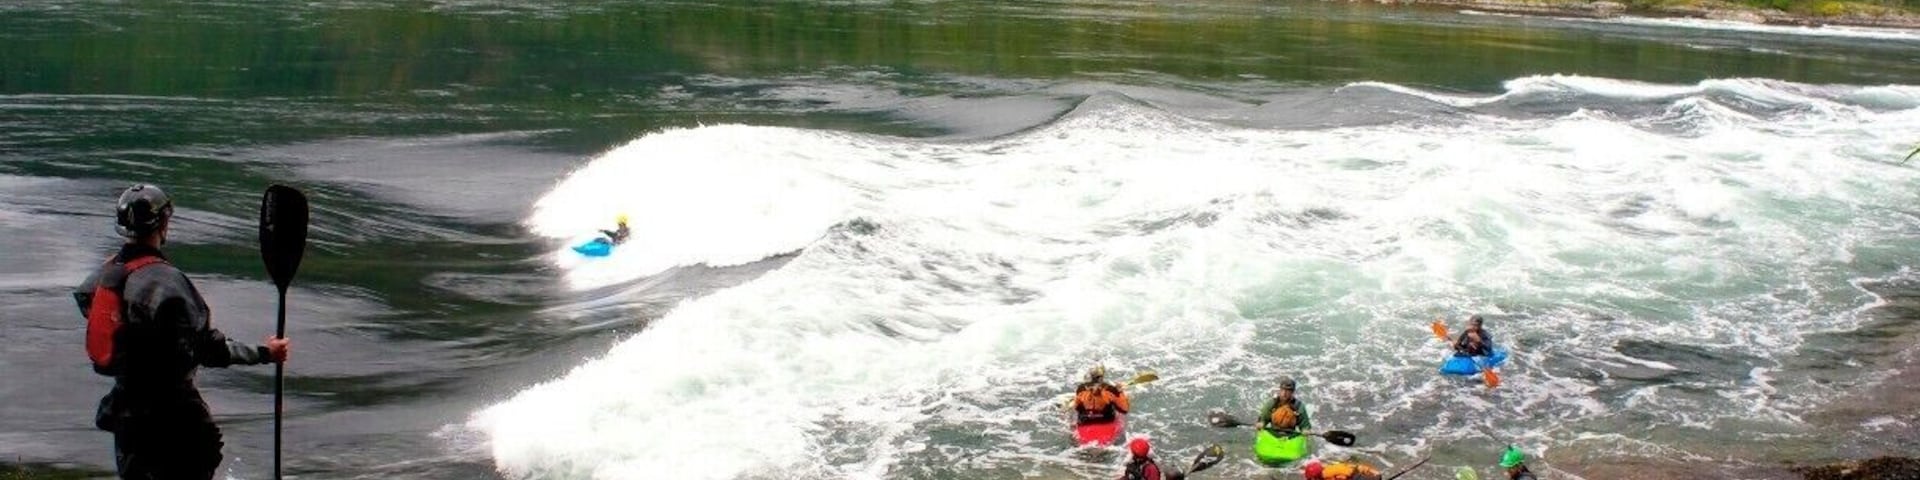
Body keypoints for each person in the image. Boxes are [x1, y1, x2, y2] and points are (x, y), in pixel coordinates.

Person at [73, 184, 290, 480]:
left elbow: (87, 301)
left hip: (126, 415)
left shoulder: (107, 274)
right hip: (175, 420)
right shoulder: (167, 282)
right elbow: (208, 349)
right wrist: (265, 353)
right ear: (164, 223)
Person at [1302, 458, 1382, 480]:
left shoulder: (1328, 475)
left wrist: (1375, 473)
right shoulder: (1328, 470)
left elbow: (1356, 469)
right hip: (1360, 473)